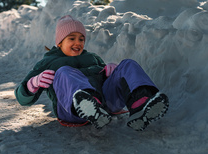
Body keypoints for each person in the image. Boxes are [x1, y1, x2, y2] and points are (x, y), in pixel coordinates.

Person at [14, 15, 169, 131]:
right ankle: (87, 105)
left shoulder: (92, 58)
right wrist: (32, 84)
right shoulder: (48, 63)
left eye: (81, 39)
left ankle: (141, 104)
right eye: (71, 38)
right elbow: (22, 99)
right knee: (64, 72)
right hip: (70, 110)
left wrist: (112, 72)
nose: (78, 43)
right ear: (59, 42)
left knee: (127, 64)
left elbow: (108, 80)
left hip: (105, 105)